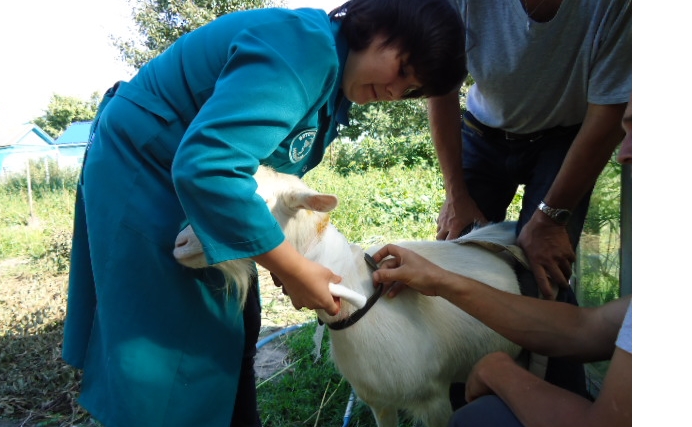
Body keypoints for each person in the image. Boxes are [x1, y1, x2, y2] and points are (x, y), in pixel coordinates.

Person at [61, 1, 467, 426]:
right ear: (376, 25)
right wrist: (293, 269)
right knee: (171, 345)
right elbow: (210, 167)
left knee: (237, 320)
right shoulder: (305, 51)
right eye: (402, 69)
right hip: (148, 170)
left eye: (410, 91)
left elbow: (262, 182)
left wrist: (284, 261)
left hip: (197, 189)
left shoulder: (334, 90)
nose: (394, 92)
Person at [370, 97, 632, 427]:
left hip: (564, 130)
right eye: (627, 128)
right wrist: (440, 278)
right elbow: (586, 329)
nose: (623, 153)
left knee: (475, 418)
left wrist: (499, 372)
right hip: (483, 131)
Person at [427, 0, 631, 396]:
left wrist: (550, 220)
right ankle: (460, 397)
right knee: (459, 254)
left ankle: (567, 400)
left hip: (565, 140)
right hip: (481, 133)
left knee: (545, 272)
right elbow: (440, 87)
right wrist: (457, 194)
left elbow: (608, 115)